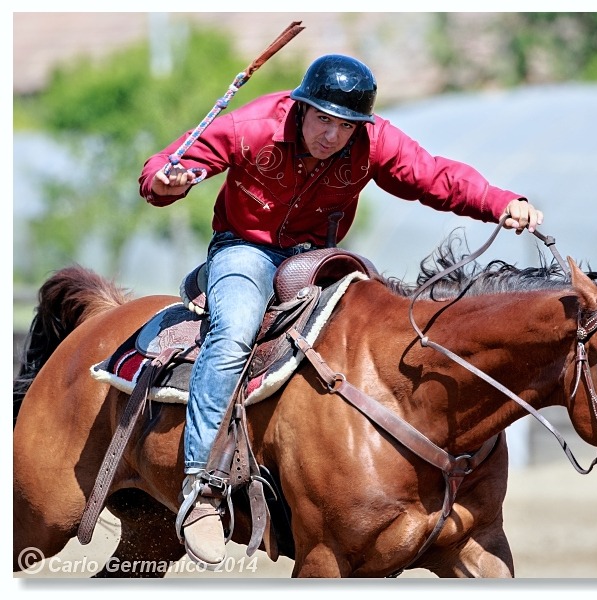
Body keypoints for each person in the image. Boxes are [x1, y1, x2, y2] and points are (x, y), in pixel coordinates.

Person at [139, 53, 543, 568]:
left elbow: (432, 175)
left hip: (317, 256)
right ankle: (202, 487)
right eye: (323, 120)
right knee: (236, 331)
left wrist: (498, 201)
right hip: (244, 248)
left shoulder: (375, 142)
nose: (331, 136)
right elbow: (166, 168)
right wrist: (166, 183)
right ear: (300, 108)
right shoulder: (253, 125)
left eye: (345, 126)